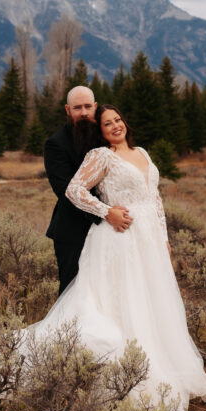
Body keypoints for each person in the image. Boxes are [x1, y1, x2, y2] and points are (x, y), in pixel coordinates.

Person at [35, 103, 206, 411]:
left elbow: (155, 198)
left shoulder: (142, 152)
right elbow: (74, 190)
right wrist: (107, 212)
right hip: (120, 239)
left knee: (152, 298)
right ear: (101, 132)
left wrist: (164, 238)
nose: (116, 126)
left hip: (149, 241)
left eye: (118, 120)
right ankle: (127, 370)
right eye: (108, 124)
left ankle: (164, 359)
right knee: (125, 299)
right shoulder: (102, 156)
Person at [44, 86, 132, 295]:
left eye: (87, 106)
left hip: (113, 229)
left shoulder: (105, 135)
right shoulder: (56, 144)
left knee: (110, 292)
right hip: (73, 231)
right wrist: (107, 213)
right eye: (77, 108)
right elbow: (66, 192)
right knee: (74, 293)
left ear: (95, 106)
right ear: (67, 110)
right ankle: (67, 330)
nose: (83, 112)